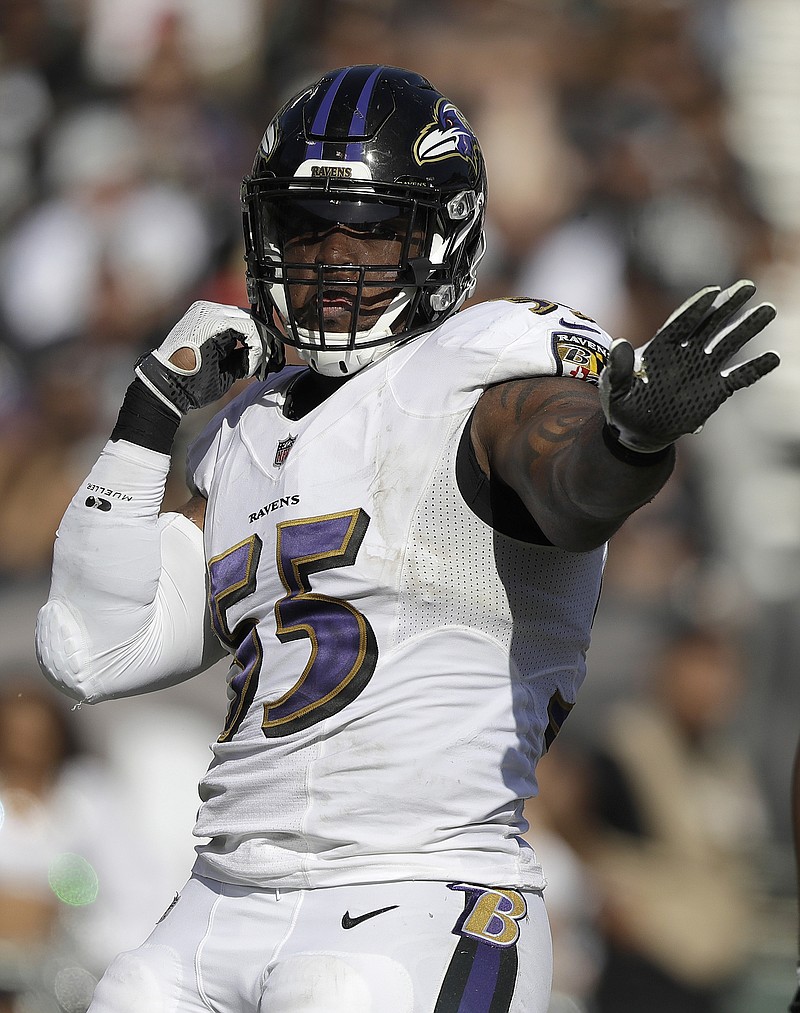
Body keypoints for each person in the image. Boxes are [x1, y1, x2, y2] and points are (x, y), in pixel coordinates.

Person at [34, 65, 779, 1013]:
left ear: (442, 236)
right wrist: (146, 420)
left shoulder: (484, 365)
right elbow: (90, 649)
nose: (334, 257)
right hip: (215, 901)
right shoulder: (242, 432)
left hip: (413, 892)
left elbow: (570, 480)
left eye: (373, 228)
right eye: (308, 225)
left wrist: (629, 433)